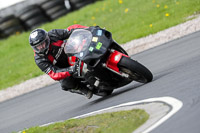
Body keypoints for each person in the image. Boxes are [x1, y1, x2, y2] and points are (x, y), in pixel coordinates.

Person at [29, 24, 93, 99]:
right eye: (37, 46)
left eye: (42, 43)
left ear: (47, 39)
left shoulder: (53, 34)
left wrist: (89, 29)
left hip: (72, 52)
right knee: (65, 83)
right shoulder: (39, 60)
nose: (41, 47)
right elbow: (54, 73)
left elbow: (70, 31)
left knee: (86, 45)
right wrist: (71, 69)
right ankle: (81, 88)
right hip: (64, 69)